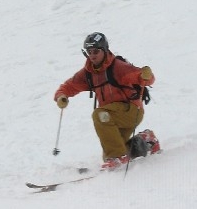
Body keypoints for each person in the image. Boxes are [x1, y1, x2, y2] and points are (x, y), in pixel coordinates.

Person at [54, 32, 160, 169]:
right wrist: (61, 96)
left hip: (131, 110)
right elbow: (68, 86)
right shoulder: (88, 73)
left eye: (96, 51)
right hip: (112, 117)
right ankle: (146, 140)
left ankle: (118, 157)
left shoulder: (118, 67)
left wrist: (147, 75)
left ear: (104, 50)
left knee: (100, 115)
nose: (92, 55)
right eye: (89, 51)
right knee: (113, 149)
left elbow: (143, 78)